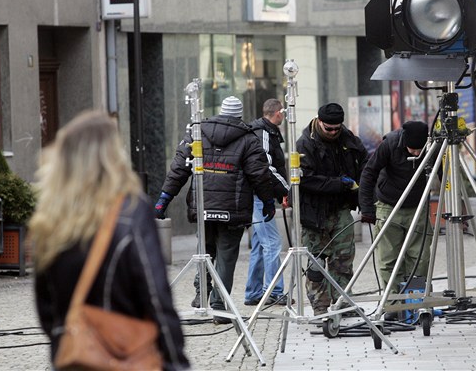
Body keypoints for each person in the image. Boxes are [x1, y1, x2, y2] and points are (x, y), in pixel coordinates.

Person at [29, 111, 190, 370]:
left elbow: (47, 310)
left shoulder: (49, 221)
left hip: (73, 359)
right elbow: (156, 295)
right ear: (113, 156)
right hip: (127, 355)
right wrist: (176, 360)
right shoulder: (132, 211)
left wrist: (72, 341)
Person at [154, 96, 275, 324]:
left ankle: (201, 294)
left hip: (203, 205)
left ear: (220, 112)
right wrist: (269, 201)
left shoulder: (197, 132)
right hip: (234, 208)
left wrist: (164, 199)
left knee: (204, 249)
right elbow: (259, 175)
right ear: (239, 116)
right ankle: (219, 306)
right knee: (226, 256)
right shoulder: (249, 139)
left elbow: (179, 167)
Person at [296, 102, 369, 316]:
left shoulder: (349, 140)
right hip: (314, 213)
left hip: (341, 209)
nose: (334, 132)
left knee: (343, 260)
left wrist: (360, 186)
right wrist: (339, 183)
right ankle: (320, 307)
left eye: (337, 128)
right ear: (319, 122)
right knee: (316, 264)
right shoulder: (304, 144)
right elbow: (305, 179)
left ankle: (343, 303)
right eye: (329, 129)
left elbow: (366, 162)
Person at [358, 120, 433, 319]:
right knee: (388, 259)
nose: (416, 154)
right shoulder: (390, 144)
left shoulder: (432, 146)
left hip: (418, 206)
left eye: (420, 150)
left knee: (420, 258)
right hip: (388, 205)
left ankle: (417, 303)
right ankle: (393, 306)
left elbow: (443, 174)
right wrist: (367, 209)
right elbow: (368, 174)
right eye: (412, 149)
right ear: (404, 142)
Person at [244, 98, 290, 306]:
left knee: (260, 245)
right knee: (272, 243)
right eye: (284, 112)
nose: (285, 116)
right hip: (259, 196)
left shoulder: (267, 131)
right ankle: (274, 291)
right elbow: (266, 166)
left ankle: (253, 292)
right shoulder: (263, 132)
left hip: (260, 195)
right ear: (278, 112)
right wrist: (285, 188)